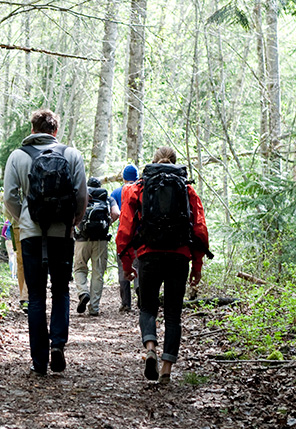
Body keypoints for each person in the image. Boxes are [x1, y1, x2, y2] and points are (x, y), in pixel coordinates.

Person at [3, 109, 87, 376]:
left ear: (32, 130)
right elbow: (82, 195)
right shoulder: (71, 155)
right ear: (55, 131)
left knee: (36, 296)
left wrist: (24, 218)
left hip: (30, 233)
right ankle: (58, 345)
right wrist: (72, 222)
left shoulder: (18, 156)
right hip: (62, 234)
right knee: (61, 290)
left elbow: (9, 196)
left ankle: (39, 361)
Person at [116, 146, 210, 384]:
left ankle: (150, 348)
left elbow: (125, 228)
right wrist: (197, 265)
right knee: (173, 314)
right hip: (180, 256)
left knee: (147, 308)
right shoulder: (187, 190)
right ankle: (166, 368)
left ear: (154, 162)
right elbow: (199, 229)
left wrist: (127, 263)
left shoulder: (137, 188)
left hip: (149, 255)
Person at [74, 177, 120, 316]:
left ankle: (83, 292)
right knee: (97, 273)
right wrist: (107, 223)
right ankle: (94, 308)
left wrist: (79, 226)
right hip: (101, 240)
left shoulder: (82, 196)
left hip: (82, 240)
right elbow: (116, 213)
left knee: (79, 269)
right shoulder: (107, 197)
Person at [110, 165, 139, 312]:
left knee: (123, 268)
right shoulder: (141, 190)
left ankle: (126, 303)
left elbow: (114, 214)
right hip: (139, 235)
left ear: (123, 177)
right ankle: (141, 297)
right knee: (139, 266)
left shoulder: (116, 193)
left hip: (124, 234)